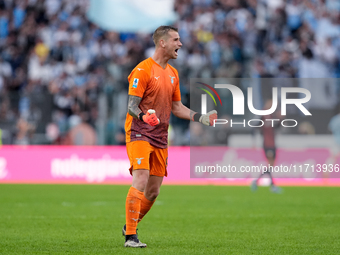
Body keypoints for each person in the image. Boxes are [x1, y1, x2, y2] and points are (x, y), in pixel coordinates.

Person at [122, 26, 217, 248]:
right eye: (176, 39)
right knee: (141, 178)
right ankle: (131, 237)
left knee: (153, 191)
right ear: (162, 43)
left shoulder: (173, 74)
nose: (180, 44)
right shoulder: (142, 70)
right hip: (139, 132)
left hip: (160, 136)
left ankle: (130, 224)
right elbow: (131, 106)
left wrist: (201, 118)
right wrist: (145, 117)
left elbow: (177, 107)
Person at [251, 99, 282, 193]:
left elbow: (276, 127)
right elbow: (255, 126)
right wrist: (254, 141)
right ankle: (272, 185)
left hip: (272, 143)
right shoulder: (262, 115)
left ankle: (256, 182)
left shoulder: (272, 115)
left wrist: (281, 120)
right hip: (267, 144)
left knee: (270, 166)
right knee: (270, 164)